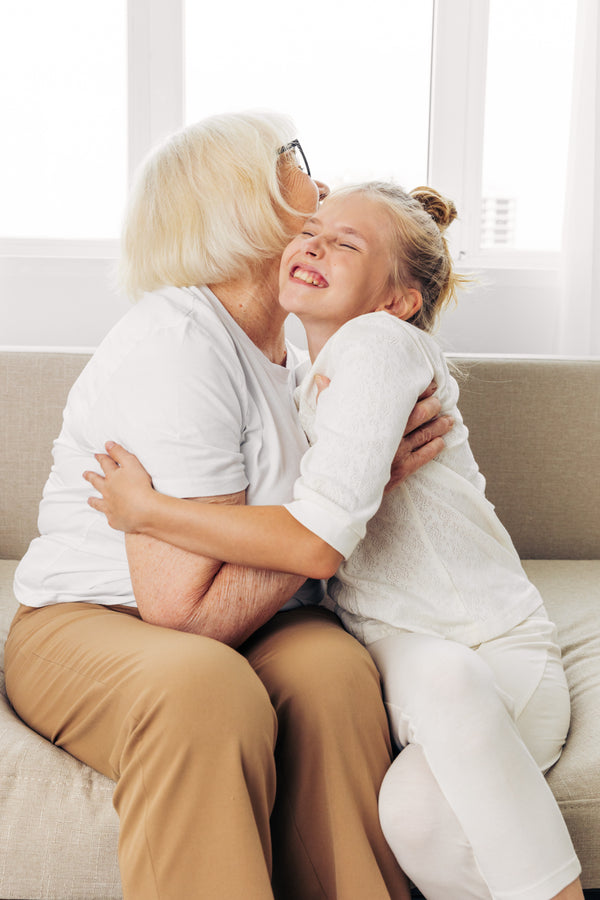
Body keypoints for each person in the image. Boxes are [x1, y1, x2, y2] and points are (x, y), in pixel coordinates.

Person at [85, 182, 584, 900]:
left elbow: (316, 544)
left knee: (447, 681)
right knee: (414, 819)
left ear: (397, 299)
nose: (313, 245)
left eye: (346, 243)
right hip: (403, 657)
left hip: (486, 652)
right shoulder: (299, 382)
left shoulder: (379, 343)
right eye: (310, 232)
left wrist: (149, 511)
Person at [4, 114, 451, 900]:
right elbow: (184, 614)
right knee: (204, 691)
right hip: (93, 620)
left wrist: (351, 496)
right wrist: (354, 503)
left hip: (238, 622)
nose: (318, 178)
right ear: (240, 201)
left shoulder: (302, 349)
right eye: (296, 161)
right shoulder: (178, 343)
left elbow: (298, 532)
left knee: (335, 676)